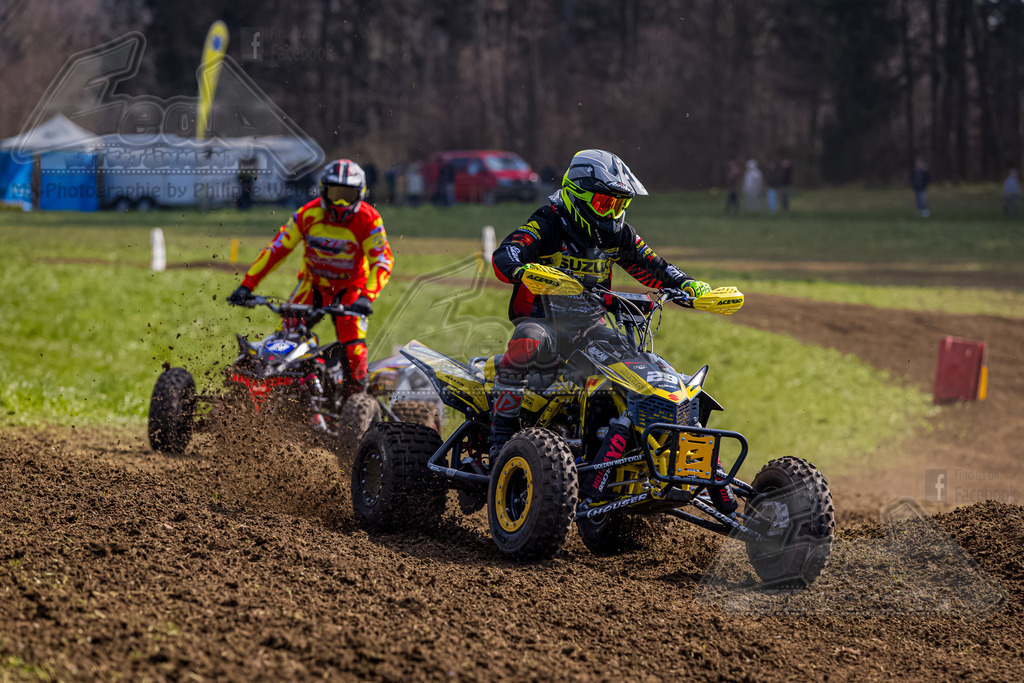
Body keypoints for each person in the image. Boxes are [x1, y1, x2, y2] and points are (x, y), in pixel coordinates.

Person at [489, 149, 712, 459]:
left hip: (589, 328)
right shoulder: (550, 221)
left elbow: (652, 265)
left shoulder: (616, 235)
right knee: (526, 342)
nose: (611, 213)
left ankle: (638, 446)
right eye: (605, 203)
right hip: (544, 322)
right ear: (577, 195)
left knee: (636, 364)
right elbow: (507, 253)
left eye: (620, 204)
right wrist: (522, 268)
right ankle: (501, 437)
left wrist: (686, 283)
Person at [227, 159, 394, 397]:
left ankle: (355, 400)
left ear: (361, 194)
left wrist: (366, 297)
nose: (340, 204)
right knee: (283, 342)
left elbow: (382, 261)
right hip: (312, 287)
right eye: (335, 194)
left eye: (347, 195)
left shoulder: (369, 219)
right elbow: (276, 250)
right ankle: (279, 393)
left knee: (354, 350)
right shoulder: (307, 214)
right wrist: (247, 285)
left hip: (350, 291)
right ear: (323, 190)